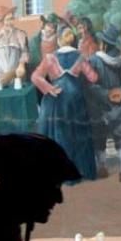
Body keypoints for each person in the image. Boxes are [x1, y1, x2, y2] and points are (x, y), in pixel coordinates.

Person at [33, 23, 98, 180]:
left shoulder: (50, 58)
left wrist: (49, 88)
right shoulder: (81, 57)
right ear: (72, 40)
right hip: (75, 100)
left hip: (55, 99)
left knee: (57, 135)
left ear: (60, 41)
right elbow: (94, 78)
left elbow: (35, 77)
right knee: (75, 134)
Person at [84, 26, 121, 181]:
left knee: (99, 139)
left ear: (104, 44)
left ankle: (101, 168)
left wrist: (106, 94)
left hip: (101, 108)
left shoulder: (93, 60)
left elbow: (90, 86)